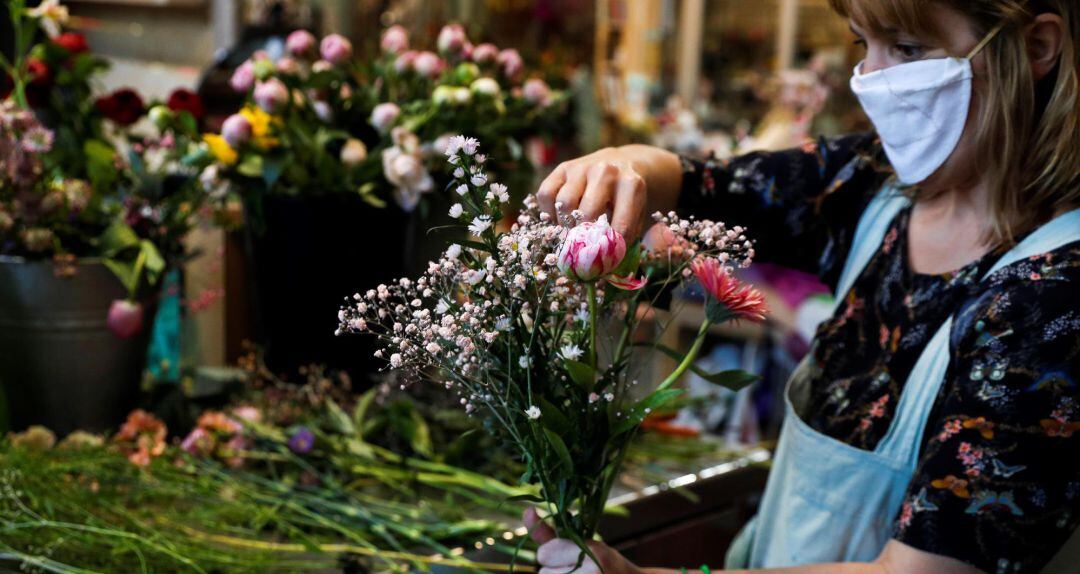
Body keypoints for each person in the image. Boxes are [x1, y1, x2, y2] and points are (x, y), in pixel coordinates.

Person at [524, 0, 1079, 572]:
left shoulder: (1054, 295)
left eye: (909, 49)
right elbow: (704, 183)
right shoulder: (871, 183)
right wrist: (623, 166)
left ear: (1036, 47)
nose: (874, 83)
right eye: (865, 46)